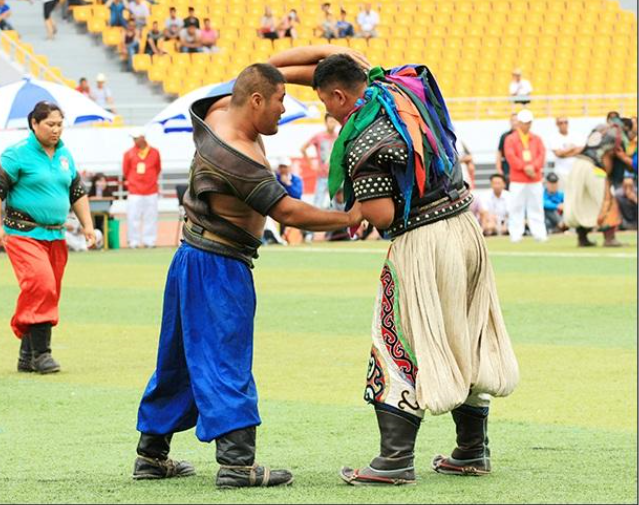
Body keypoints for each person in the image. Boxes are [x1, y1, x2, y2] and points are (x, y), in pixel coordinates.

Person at [268, 47, 519, 486]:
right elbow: (334, 61)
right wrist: (272, 73)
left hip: (423, 243)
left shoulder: (363, 137)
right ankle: (472, 450)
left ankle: (395, 460)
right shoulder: (399, 89)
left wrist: (351, 213)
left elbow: (380, 215)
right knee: (468, 334)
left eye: (326, 101)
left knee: (397, 340)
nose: (325, 112)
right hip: (465, 232)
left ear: (342, 97)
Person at [133, 63, 364, 488]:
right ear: (256, 100)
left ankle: (151, 455)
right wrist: (347, 217)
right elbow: (286, 211)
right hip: (219, 265)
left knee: (178, 360)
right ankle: (238, 464)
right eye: (278, 101)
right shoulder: (233, 154)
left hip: (192, 258)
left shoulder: (220, 111)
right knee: (226, 359)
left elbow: (260, 69)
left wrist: (332, 59)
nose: (283, 109)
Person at [0, 101, 96, 374]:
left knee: (47, 291)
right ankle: (43, 354)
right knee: (41, 284)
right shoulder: (17, 154)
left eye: (60, 124)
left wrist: (88, 226)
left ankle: (27, 354)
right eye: (50, 124)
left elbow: (76, 192)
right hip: (22, 234)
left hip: (56, 235)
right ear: (34, 123)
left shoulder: (64, 154)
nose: (56, 130)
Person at [563, 123, 623, 247]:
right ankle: (609, 238)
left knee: (581, 201)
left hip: (578, 164)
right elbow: (609, 157)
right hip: (595, 167)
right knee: (605, 200)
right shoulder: (615, 135)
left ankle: (582, 238)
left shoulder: (596, 133)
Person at [504, 109, 547, 242]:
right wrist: (525, 167)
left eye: (529, 123)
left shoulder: (537, 139)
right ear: (519, 123)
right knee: (516, 207)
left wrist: (532, 167)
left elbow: (542, 155)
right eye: (524, 123)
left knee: (537, 207)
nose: (527, 125)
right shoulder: (510, 139)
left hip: (534, 178)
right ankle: (515, 234)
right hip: (518, 179)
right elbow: (510, 156)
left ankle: (539, 234)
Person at [122, 129, 161, 248]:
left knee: (151, 217)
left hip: (151, 190)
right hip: (134, 191)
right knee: (133, 217)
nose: (134, 140)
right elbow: (126, 171)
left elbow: (158, 169)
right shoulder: (128, 153)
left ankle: (150, 241)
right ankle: (133, 241)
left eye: (136, 138)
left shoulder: (154, 152)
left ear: (142, 137)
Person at [301, 113, 339, 210]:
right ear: (325, 123)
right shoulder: (319, 136)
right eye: (330, 121)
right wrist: (310, 164)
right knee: (318, 204)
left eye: (334, 121)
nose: (332, 124)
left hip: (335, 176)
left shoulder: (338, 137)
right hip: (322, 175)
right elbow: (303, 148)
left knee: (337, 205)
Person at [549, 116, 582, 186]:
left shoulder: (575, 135)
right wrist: (571, 149)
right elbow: (558, 154)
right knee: (563, 195)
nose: (564, 124)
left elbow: (580, 150)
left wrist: (564, 154)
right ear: (557, 124)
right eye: (561, 123)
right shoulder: (553, 137)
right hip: (561, 173)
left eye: (566, 122)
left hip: (575, 172)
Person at [496, 113, 517, 186]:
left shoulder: (524, 136)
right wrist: (499, 169)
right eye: (513, 120)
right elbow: (499, 152)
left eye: (516, 120)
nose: (515, 122)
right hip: (506, 167)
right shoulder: (504, 136)